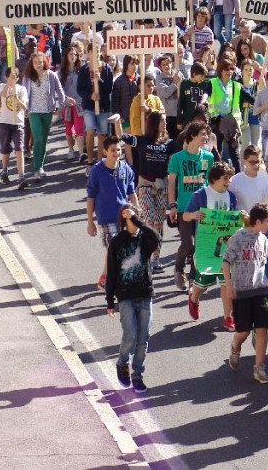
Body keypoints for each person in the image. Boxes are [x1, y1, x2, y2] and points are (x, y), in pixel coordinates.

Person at [105, 204, 160, 393]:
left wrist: (137, 220)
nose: (132, 220)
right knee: (130, 335)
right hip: (125, 296)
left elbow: (156, 238)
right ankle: (122, 363)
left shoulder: (145, 239)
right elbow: (112, 272)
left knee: (143, 338)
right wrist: (110, 300)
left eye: (134, 217)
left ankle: (137, 375)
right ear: (122, 219)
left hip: (145, 293)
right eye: (128, 217)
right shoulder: (117, 242)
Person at [111, 112, 171, 271]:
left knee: (158, 223)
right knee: (148, 221)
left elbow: (184, 147)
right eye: (162, 121)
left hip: (162, 187)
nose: (165, 124)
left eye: (165, 121)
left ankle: (155, 259)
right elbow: (122, 136)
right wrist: (117, 121)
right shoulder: (142, 140)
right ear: (154, 123)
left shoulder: (168, 143)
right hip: (145, 186)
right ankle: (145, 256)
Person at [181, 161, 239, 324]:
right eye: (225, 178)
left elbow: (233, 219)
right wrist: (194, 215)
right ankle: (194, 298)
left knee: (226, 282)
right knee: (203, 284)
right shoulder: (201, 195)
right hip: (206, 247)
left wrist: (239, 217)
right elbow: (185, 216)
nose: (228, 182)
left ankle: (228, 317)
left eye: (230, 178)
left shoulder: (231, 197)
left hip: (226, 246)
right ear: (214, 179)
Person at [222, 203, 268, 384]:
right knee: (243, 331)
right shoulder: (238, 237)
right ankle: (235, 345)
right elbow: (226, 262)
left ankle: (259, 368)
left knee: (262, 329)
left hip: (260, 290)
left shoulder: (264, 240)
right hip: (242, 291)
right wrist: (229, 285)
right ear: (258, 221)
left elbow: (263, 265)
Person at [167, 122, 215, 292]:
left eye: (207, 134)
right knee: (188, 243)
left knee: (199, 246)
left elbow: (212, 182)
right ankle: (179, 268)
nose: (206, 137)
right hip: (184, 208)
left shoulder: (209, 157)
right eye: (203, 134)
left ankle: (193, 279)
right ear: (192, 135)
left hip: (204, 209)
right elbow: (171, 182)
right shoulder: (177, 158)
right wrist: (172, 205)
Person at [86, 137, 139, 290]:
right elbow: (90, 198)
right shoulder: (97, 171)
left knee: (122, 250)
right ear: (105, 152)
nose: (116, 153)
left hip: (125, 217)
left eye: (118, 150)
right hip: (106, 218)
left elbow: (131, 192)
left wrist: (137, 210)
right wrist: (90, 222)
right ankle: (116, 283)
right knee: (116, 250)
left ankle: (105, 278)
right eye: (113, 150)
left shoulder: (125, 168)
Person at [24, 52, 67, 180]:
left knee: (43, 139)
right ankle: (36, 168)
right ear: (32, 64)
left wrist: (60, 107)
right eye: (35, 62)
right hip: (33, 111)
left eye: (40, 62)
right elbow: (23, 94)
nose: (38, 65)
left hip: (48, 111)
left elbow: (61, 93)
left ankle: (40, 166)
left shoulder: (51, 75)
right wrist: (23, 108)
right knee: (37, 138)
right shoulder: (28, 77)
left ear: (44, 62)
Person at [78, 43, 115, 166]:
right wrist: (90, 96)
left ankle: (99, 162)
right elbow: (80, 89)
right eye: (93, 51)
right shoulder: (84, 70)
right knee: (90, 131)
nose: (96, 54)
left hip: (103, 106)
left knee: (102, 135)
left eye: (98, 51)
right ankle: (90, 160)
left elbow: (109, 88)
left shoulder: (106, 68)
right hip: (89, 106)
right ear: (88, 53)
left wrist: (100, 80)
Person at [0, 66, 28, 188]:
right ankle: (4, 171)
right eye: (10, 77)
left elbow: (24, 107)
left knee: (20, 149)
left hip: (18, 123)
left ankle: (21, 176)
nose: (13, 79)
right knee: (5, 148)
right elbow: (2, 95)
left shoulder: (22, 89)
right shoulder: (2, 86)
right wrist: (9, 84)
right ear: (6, 77)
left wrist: (17, 98)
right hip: (5, 122)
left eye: (15, 77)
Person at [59, 45, 86, 161]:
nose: (73, 56)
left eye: (75, 54)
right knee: (69, 130)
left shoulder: (81, 70)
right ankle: (71, 149)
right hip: (67, 104)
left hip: (79, 103)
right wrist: (65, 99)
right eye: (71, 54)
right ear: (66, 56)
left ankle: (81, 153)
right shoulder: (61, 72)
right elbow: (58, 89)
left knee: (79, 129)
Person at [229, 144, 268, 211]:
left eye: (258, 162)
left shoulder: (266, 179)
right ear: (244, 162)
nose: (256, 165)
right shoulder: (234, 180)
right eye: (252, 162)